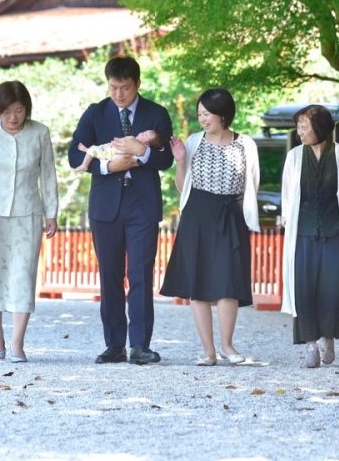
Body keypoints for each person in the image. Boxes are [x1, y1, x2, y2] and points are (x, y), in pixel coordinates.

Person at [68, 56, 174, 365]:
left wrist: (142, 152)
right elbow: (75, 154)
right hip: (106, 205)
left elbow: (165, 160)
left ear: (137, 84)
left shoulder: (156, 114)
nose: (118, 95)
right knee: (109, 275)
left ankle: (140, 345)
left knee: (140, 274)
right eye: (113, 87)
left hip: (142, 204)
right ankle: (114, 344)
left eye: (125, 88)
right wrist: (108, 166)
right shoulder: (96, 113)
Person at [160, 88, 260, 366]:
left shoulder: (246, 144)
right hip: (197, 216)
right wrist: (180, 160)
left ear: (223, 115)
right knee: (199, 283)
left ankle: (228, 346)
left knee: (229, 283)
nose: (202, 119)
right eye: (199, 114)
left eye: (207, 114)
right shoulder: (194, 141)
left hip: (230, 215)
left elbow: (252, 184)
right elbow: (182, 188)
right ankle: (208, 350)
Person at [0, 81, 58, 363]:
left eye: (19, 110)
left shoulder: (39, 132)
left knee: (22, 274)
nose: (13, 117)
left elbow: (48, 174)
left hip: (27, 212)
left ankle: (18, 342)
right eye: (7, 111)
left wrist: (51, 212)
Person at [279, 105, 339, 368]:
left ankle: (328, 337)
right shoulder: (295, 157)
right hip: (303, 233)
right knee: (304, 288)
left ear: (321, 128)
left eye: (305, 127)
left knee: (333, 289)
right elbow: (288, 197)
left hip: (335, 232)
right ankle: (310, 345)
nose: (300, 133)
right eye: (298, 128)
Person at [74, 129, 163, 172]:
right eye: (144, 132)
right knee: (96, 149)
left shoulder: (139, 150)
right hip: (110, 149)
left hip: (114, 155)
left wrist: (143, 152)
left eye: (145, 135)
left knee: (94, 150)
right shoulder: (132, 138)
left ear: (146, 145)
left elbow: (138, 160)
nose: (142, 133)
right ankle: (88, 151)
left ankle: (84, 164)